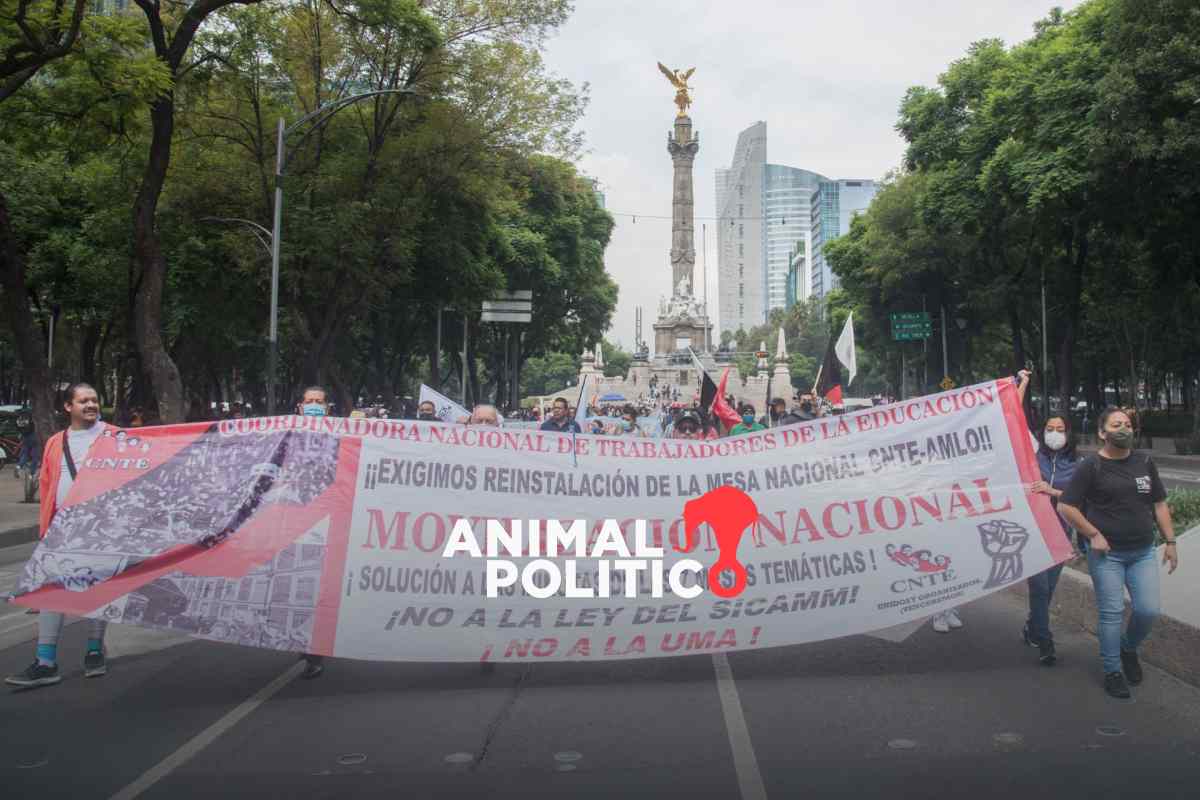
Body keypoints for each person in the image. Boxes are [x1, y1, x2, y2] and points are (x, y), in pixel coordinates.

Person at [1058, 407, 1179, 699]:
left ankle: (1128, 648)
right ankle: (1112, 670)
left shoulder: (1144, 461)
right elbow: (1066, 506)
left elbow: (1159, 503)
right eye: (1116, 424)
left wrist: (1171, 542)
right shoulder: (1091, 466)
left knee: (1148, 610)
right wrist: (1093, 534)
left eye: (1127, 424)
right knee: (1111, 613)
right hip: (1107, 555)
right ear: (1102, 432)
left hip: (1142, 552)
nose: (1123, 428)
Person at [7, 383, 111, 688]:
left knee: (97, 591)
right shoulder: (56, 442)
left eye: (94, 399)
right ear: (68, 407)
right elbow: (48, 484)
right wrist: (46, 530)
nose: (91, 405)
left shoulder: (116, 436)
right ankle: (45, 662)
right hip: (62, 531)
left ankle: (94, 651)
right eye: (84, 401)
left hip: (102, 529)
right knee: (52, 590)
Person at [1015, 369, 1081, 665]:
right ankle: (1046, 641)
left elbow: (1082, 499)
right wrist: (1022, 385)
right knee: (1039, 587)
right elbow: (1013, 420)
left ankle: (1032, 626)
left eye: (1060, 428)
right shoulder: (1033, 453)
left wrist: (1052, 491)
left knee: (1048, 589)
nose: (1055, 433)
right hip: (1033, 531)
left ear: (1068, 434)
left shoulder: (1078, 466)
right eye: (1050, 428)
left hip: (1061, 533)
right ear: (1043, 432)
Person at [296, 386, 332, 679]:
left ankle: (315, 650)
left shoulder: (344, 436)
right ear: (300, 406)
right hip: (293, 524)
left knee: (319, 589)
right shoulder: (283, 435)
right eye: (310, 402)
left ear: (328, 407)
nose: (314, 406)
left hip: (330, 524)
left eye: (319, 402)